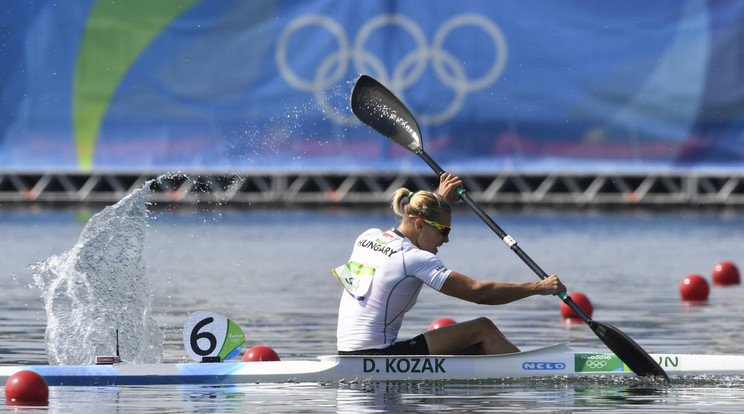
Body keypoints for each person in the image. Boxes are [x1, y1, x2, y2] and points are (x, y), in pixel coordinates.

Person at [334, 172, 566, 356]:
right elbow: (480, 293)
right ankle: (530, 373)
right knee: (481, 329)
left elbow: (415, 223)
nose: (447, 239)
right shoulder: (414, 258)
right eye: (444, 231)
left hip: (348, 353)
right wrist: (538, 288)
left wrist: (439, 200)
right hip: (377, 356)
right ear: (419, 225)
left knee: (472, 345)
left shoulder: (367, 237)